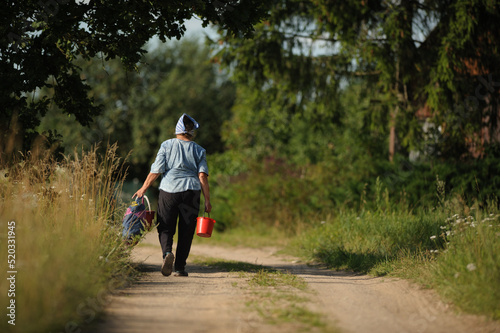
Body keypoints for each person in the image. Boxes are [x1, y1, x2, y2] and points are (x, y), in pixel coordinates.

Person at [133, 113, 211, 277]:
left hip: (169, 190)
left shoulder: (167, 145)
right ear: (192, 131)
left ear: (178, 129)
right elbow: (202, 176)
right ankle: (180, 267)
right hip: (192, 192)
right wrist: (207, 201)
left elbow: (157, 170)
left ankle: (167, 253)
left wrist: (143, 188)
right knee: (186, 230)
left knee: (166, 226)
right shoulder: (199, 150)